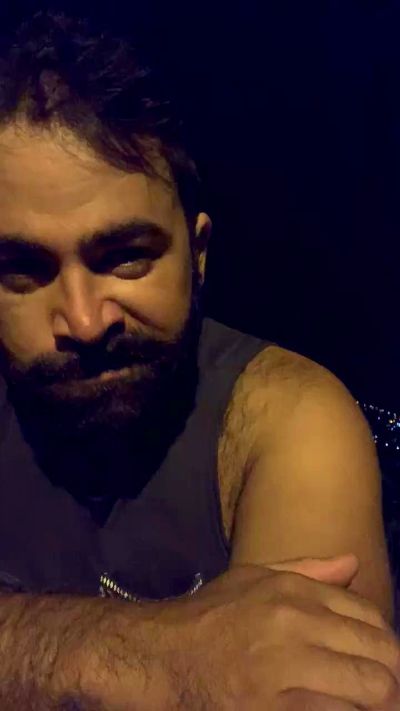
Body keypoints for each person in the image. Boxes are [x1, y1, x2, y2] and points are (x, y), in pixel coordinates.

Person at [0, 7, 397, 709]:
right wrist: (170, 656)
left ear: (199, 253)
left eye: (126, 255)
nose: (85, 321)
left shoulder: (281, 418)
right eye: (23, 271)